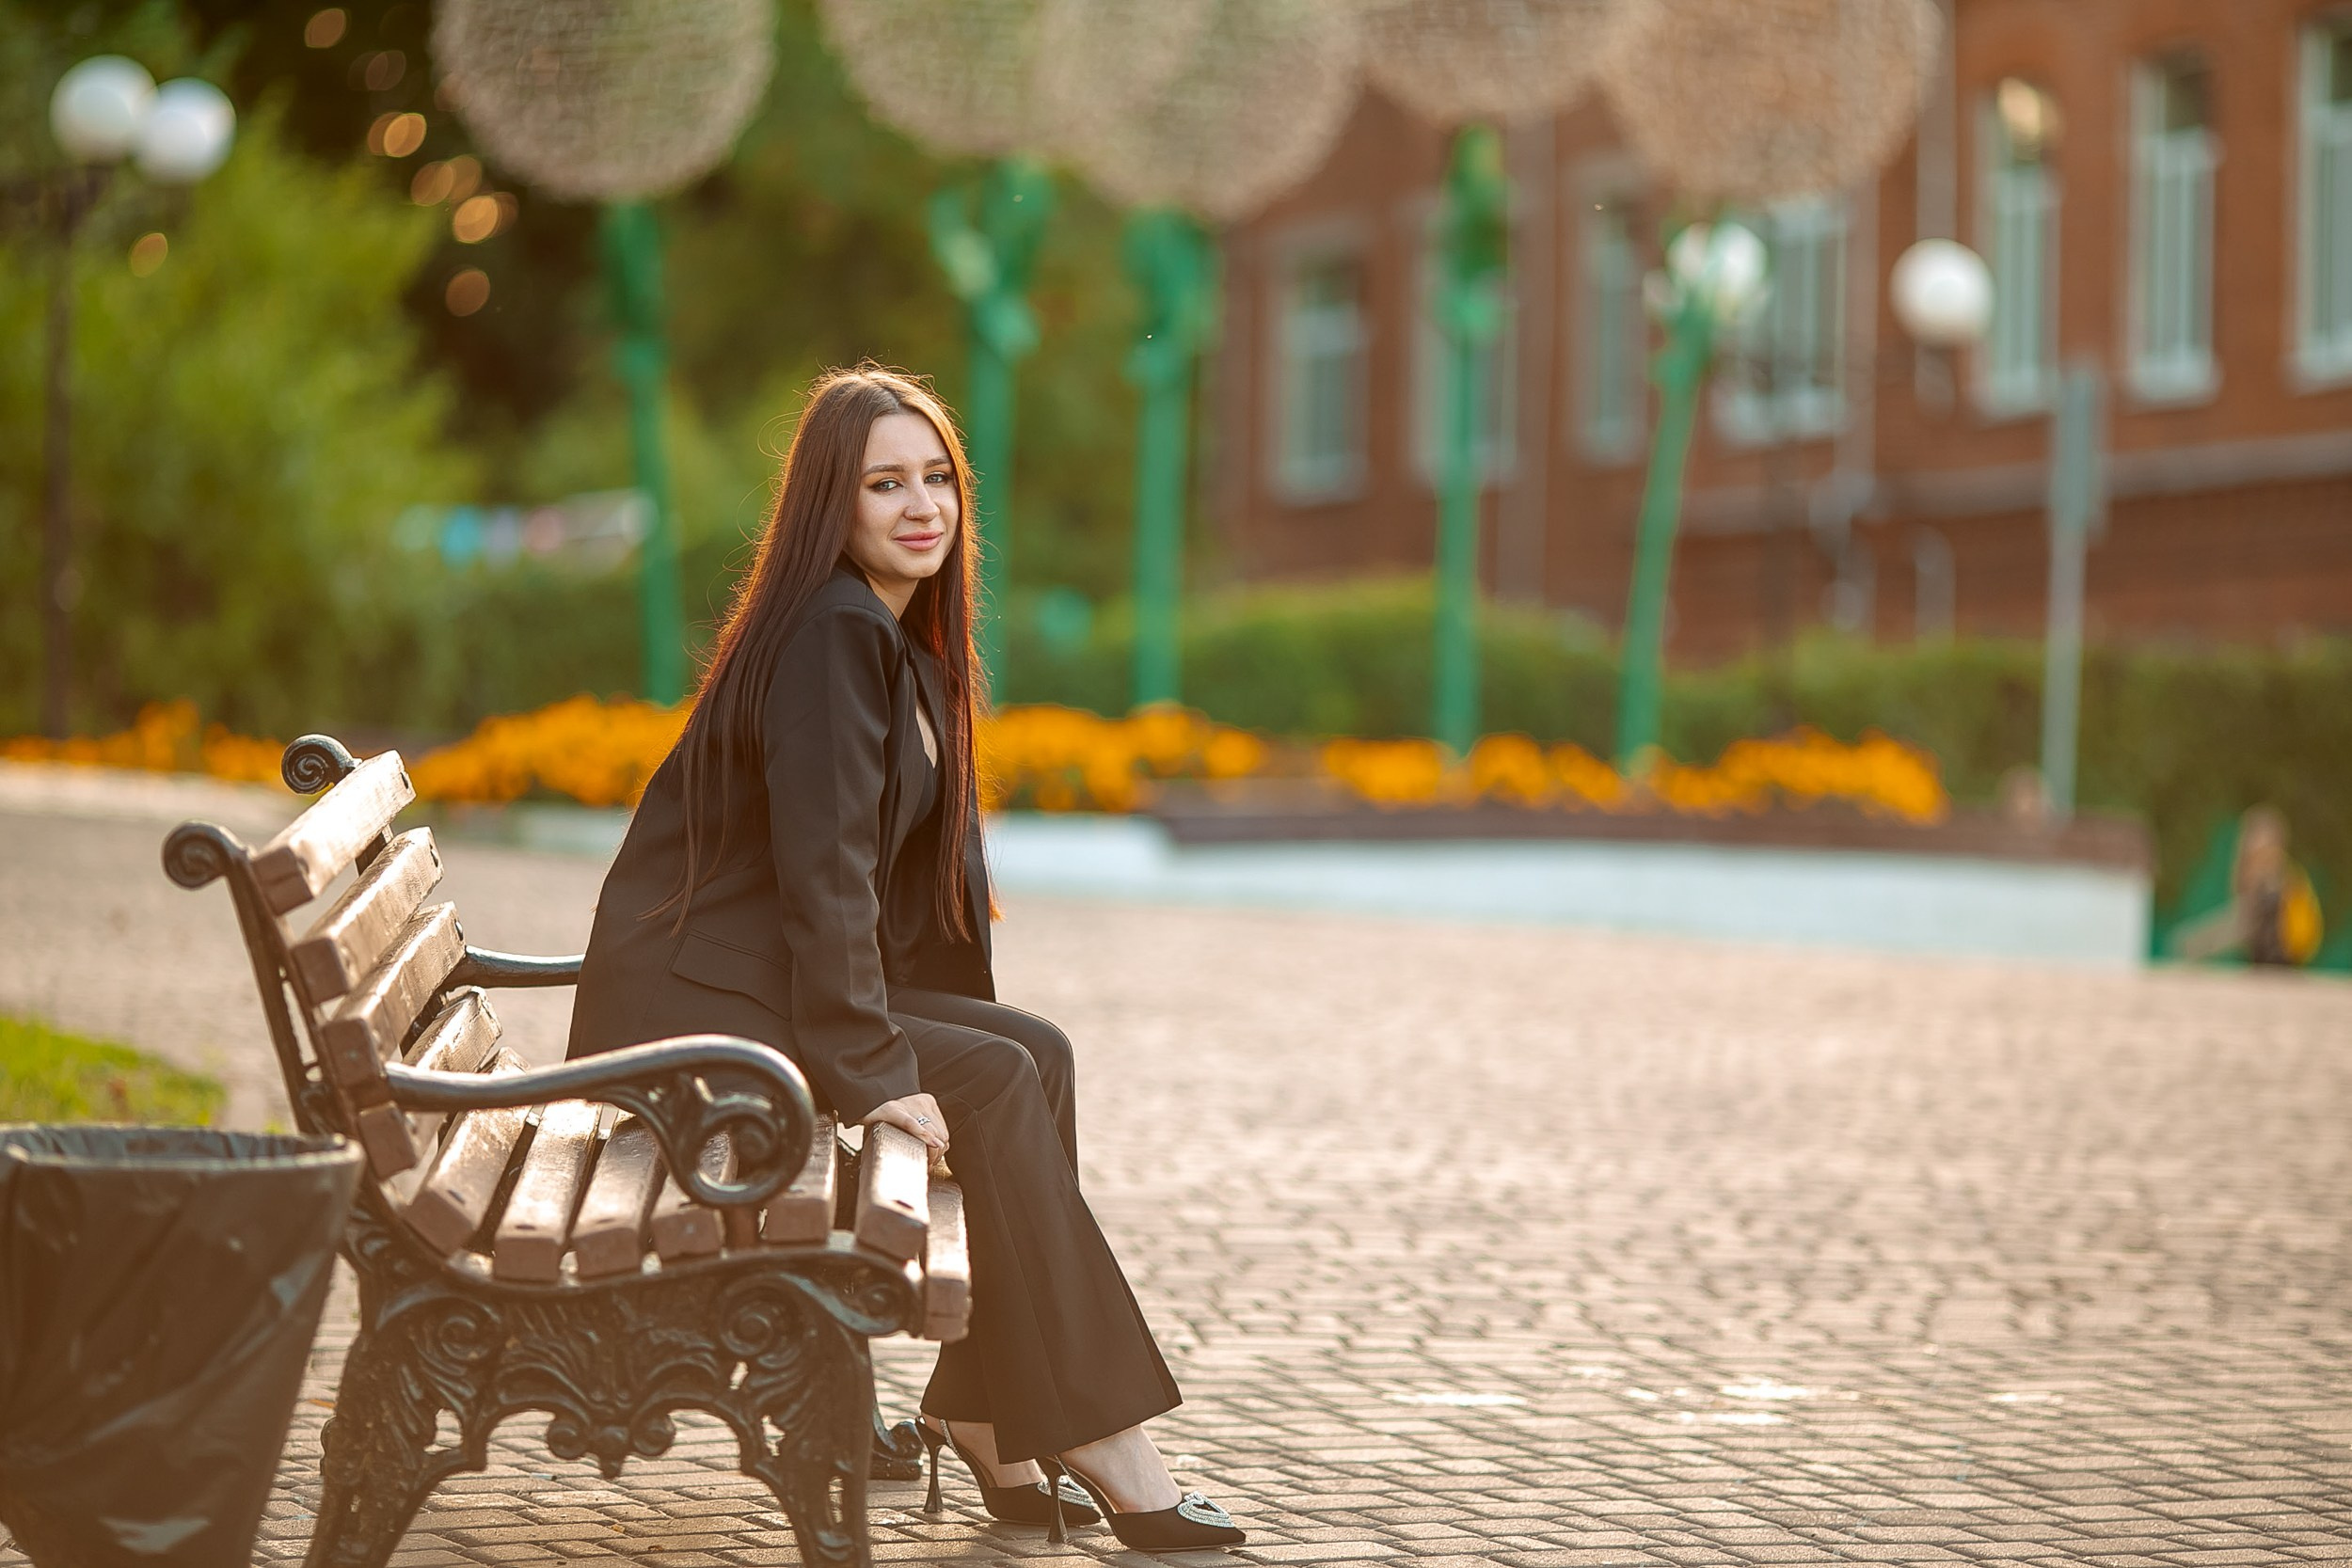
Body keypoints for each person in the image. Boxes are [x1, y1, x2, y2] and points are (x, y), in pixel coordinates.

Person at [565, 364, 1243, 1553]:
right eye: (887, 483)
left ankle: (985, 1413)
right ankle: (1101, 1435)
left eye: (937, 478)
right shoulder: (833, 634)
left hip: (740, 987)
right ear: (835, 502)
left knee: (1034, 1050)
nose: (921, 504)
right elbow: (824, 872)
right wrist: (878, 1072)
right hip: (697, 1020)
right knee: (989, 1078)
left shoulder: (887, 634)